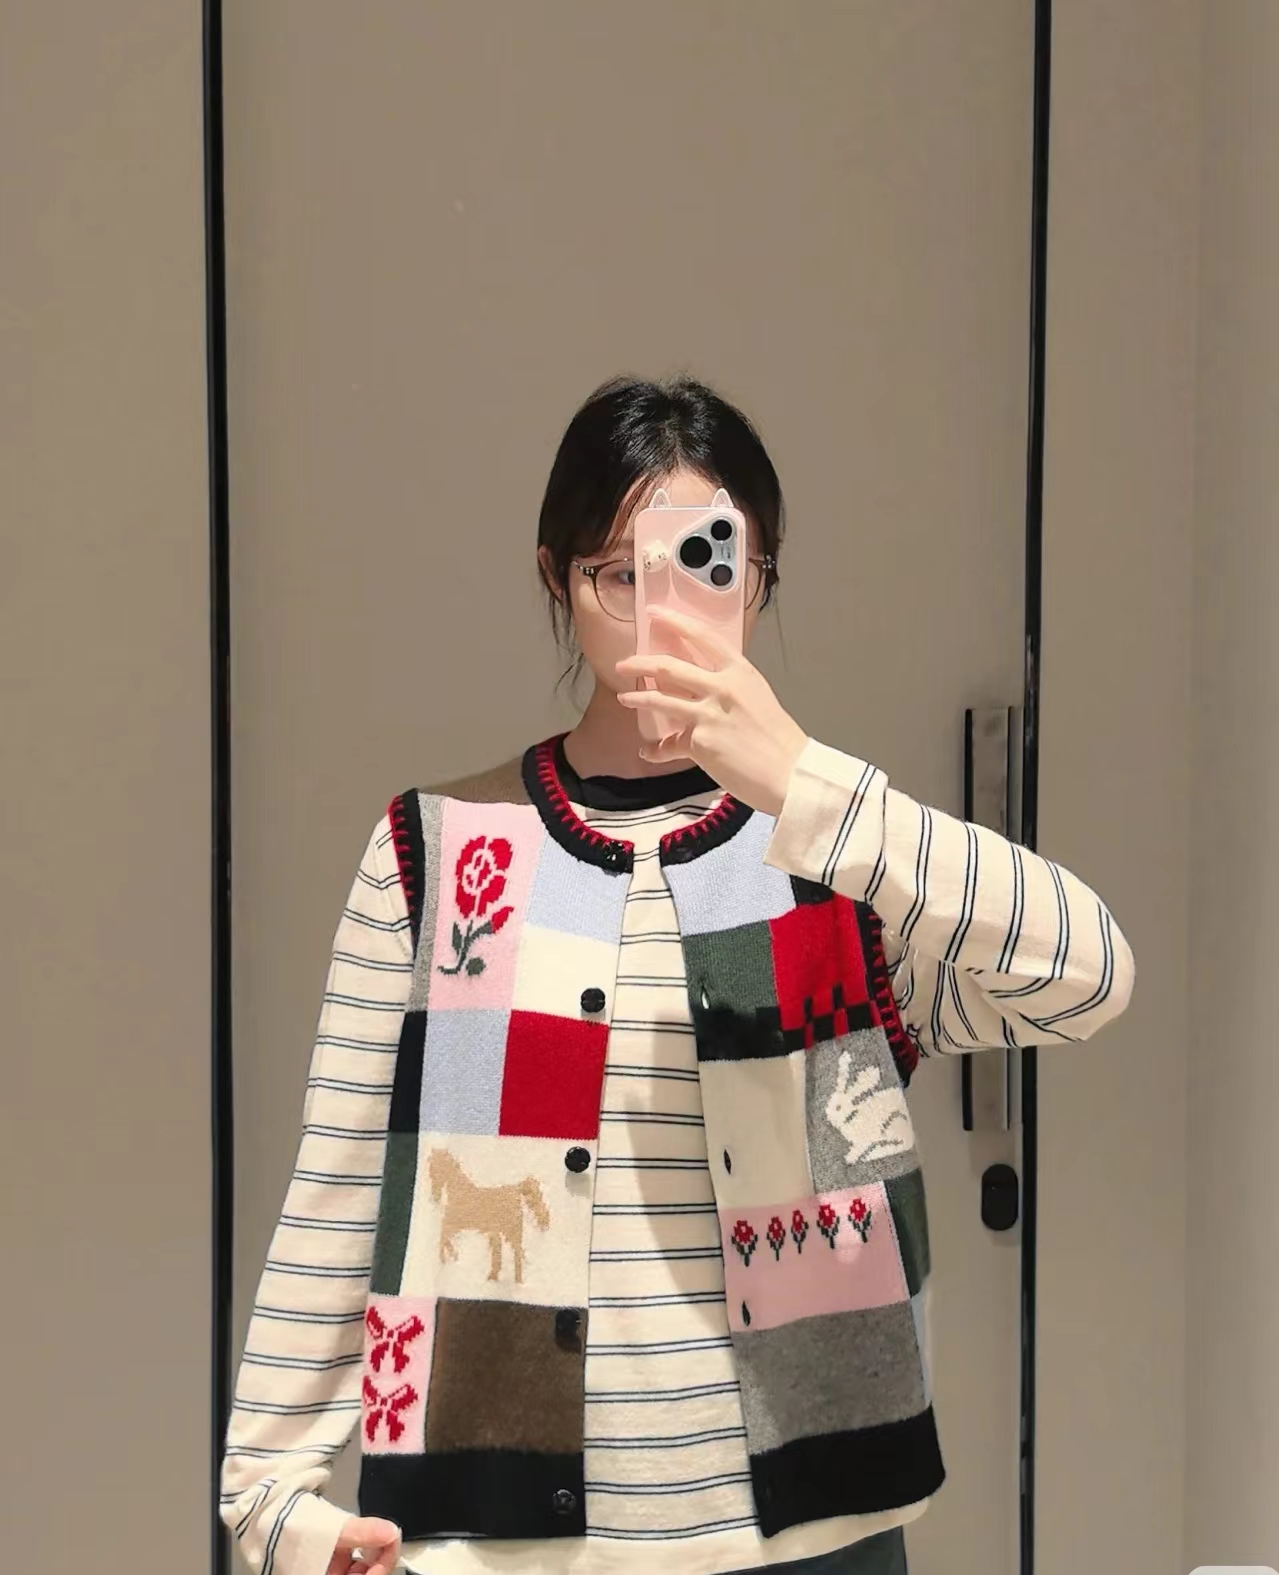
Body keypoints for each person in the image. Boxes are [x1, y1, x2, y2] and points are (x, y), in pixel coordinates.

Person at [220, 375, 1135, 1575]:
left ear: (759, 576)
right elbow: (342, 1181)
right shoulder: (435, 853)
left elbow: (1085, 974)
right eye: (616, 573)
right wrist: (272, 1498)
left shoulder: (837, 857)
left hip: (817, 1532)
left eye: (703, 563)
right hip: (498, 1543)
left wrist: (809, 784)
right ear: (555, 578)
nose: (656, 611)